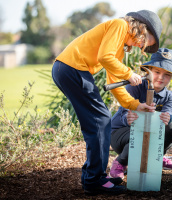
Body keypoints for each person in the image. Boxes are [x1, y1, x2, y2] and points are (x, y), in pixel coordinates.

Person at [51, 10, 163, 195]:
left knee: (99, 120)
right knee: (100, 120)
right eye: (145, 41)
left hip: (70, 69)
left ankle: (95, 177)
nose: (141, 46)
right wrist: (129, 74)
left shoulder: (119, 45)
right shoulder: (120, 26)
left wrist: (134, 105)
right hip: (71, 68)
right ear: (142, 28)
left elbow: (113, 80)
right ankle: (94, 180)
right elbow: (105, 57)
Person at [109, 48, 172, 179]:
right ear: (148, 70)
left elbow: (169, 115)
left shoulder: (170, 97)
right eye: (157, 72)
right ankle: (121, 162)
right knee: (141, 131)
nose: (161, 77)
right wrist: (128, 118)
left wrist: (166, 118)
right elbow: (123, 113)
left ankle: (157, 157)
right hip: (122, 134)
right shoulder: (135, 87)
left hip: (149, 137)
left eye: (166, 74)